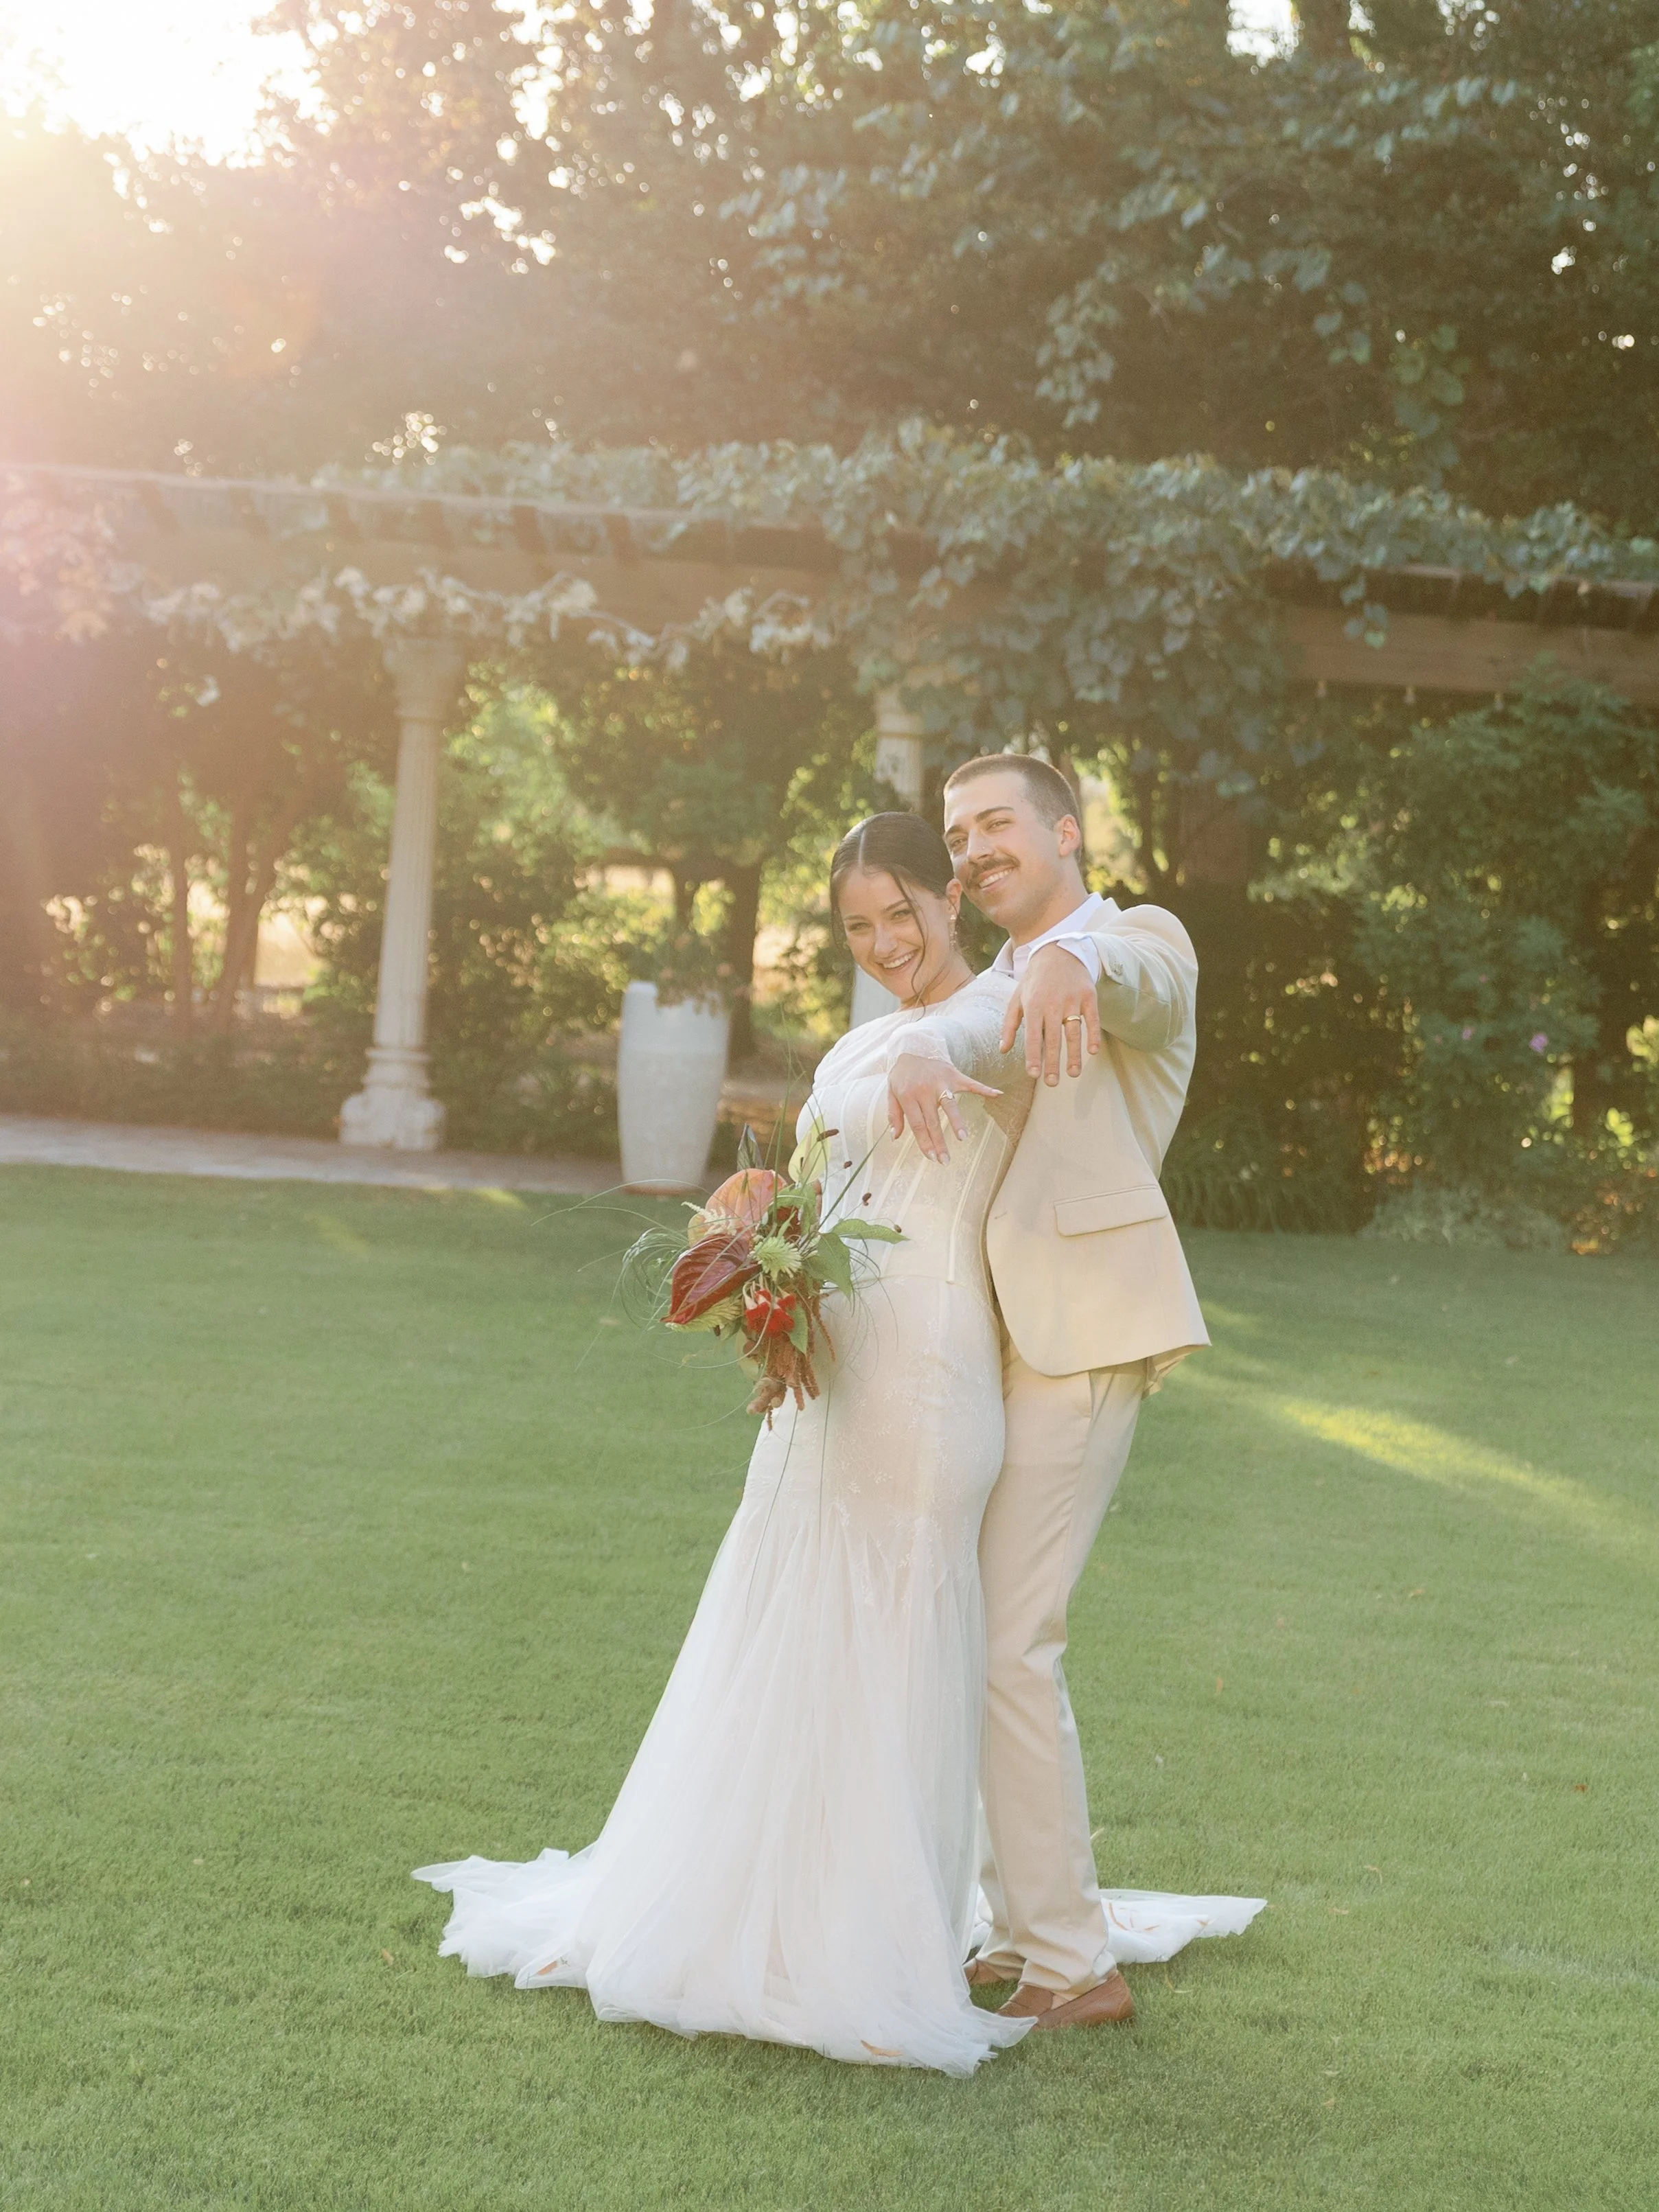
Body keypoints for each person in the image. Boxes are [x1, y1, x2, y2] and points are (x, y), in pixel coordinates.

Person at [416, 811, 1259, 2075]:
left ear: (952, 898)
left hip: (932, 1369)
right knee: (784, 1608)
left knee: (901, 1637)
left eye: (904, 912)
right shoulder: (867, 1037)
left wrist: (942, 1034)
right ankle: (737, 1898)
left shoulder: (1009, 1003)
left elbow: (994, 1026)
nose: (887, 942)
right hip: (828, 1371)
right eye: (861, 926)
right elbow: (811, 1192)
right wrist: (756, 1243)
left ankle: (879, 1933)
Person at [887, 754, 1251, 2033]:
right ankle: (1021, 1924)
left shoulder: (1137, 941)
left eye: (997, 824)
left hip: (1081, 1334)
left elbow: (1141, 982)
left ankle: (1072, 1964)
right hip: (973, 1340)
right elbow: (963, 1051)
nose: (975, 847)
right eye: (957, 833)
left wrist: (1074, 963)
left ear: (1066, 829)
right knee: (972, 1629)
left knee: (1009, 1636)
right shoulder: (986, 979)